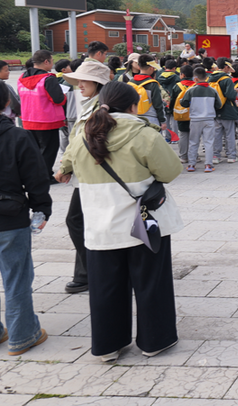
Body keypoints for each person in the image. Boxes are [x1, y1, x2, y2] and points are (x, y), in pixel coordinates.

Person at [55, 81, 184, 362]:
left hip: (100, 225)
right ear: (132, 105)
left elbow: (67, 166)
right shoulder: (143, 134)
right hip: (145, 224)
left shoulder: (83, 135)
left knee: (105, 287)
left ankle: (108, 345)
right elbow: (172, 170)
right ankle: (155, 340)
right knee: (152, 283)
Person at [0, 82, 51, 356]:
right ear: (6, 102)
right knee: (16, 277)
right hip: (9, 217)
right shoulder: (17, 136)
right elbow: (37, 177)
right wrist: (42, 208)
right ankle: (22, 335)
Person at [58, 59, 111, 294]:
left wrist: (66, 165)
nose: (79, 84)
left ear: (97, 83)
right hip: (86, 174)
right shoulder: (91, 103)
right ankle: (87, 271)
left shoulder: (102, 107)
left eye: (83, 80)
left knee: (78, 221)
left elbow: (83, 141)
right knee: (81, 221)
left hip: (94, 175)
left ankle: (93, 270)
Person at [18, 50, 67, 180]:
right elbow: (58, 99)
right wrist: (64, 97)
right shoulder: (48, 79)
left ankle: (34, 175)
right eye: (51, 60)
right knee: (49, 150)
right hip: (47, 121)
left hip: (28, 120)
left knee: (34, 150)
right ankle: (44, 177)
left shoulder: (22, 78)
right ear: (46, 62)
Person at [180, 67, 222, 172]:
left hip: (195, 119)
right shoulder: (213, 90)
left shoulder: (190, 90)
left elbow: (184, 103)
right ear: (206, 78)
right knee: (208, 142)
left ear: (195, 78)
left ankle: (191, 165)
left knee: (193, 142)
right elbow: (219, 104)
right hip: (209, 119)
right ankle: (208, 165)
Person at [208, 59, 238, 165]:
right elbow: (230, 96)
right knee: (229, 134)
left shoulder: (210, 78)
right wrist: (235, 91)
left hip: (214, 110)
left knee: (216, 134)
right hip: (227, 110)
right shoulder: (227, 80)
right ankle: (231, 155)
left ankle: (215, 156)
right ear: (226, 67)